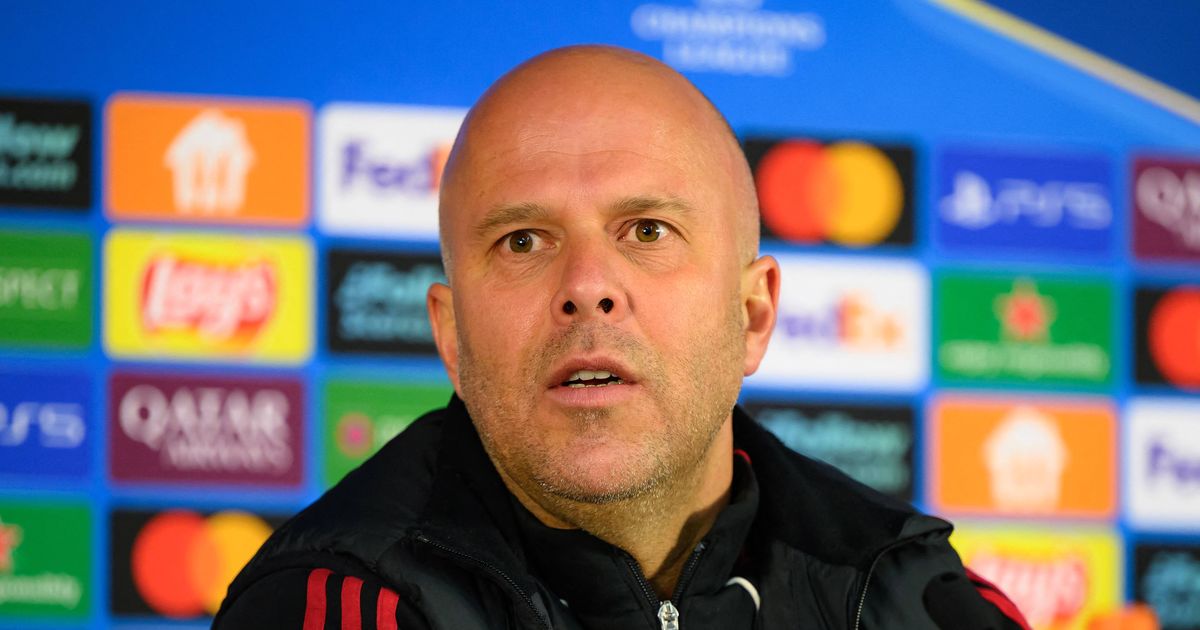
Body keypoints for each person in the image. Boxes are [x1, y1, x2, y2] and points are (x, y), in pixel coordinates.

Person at [215, 45, 1029, 630]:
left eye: (647, 230)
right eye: (523, 241)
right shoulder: (336, 605)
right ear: (452, 337)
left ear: (752, 315)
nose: (586, 286)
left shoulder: (920, 600)